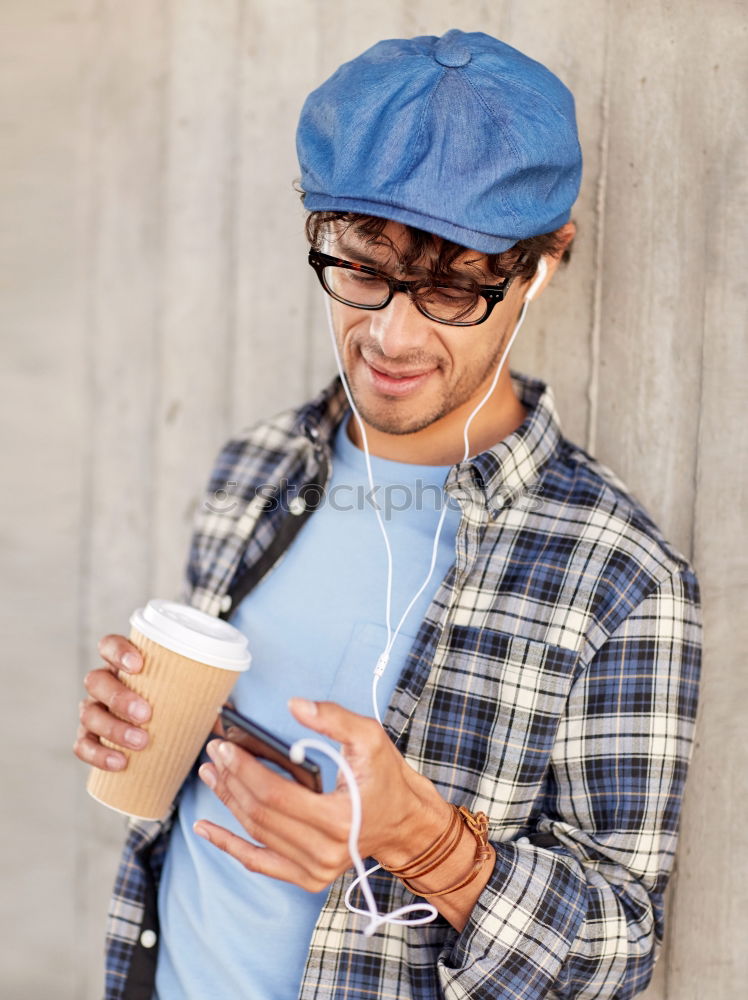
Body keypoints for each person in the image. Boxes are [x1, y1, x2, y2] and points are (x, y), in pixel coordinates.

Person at [74, 29, 702, 1000]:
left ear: (541, 264)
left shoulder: (616, 572)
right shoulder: (256, 467)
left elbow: (617, 950)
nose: (391, 336)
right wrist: (148, 729)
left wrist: (420, 836)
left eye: (453, 287)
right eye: (363, 268)